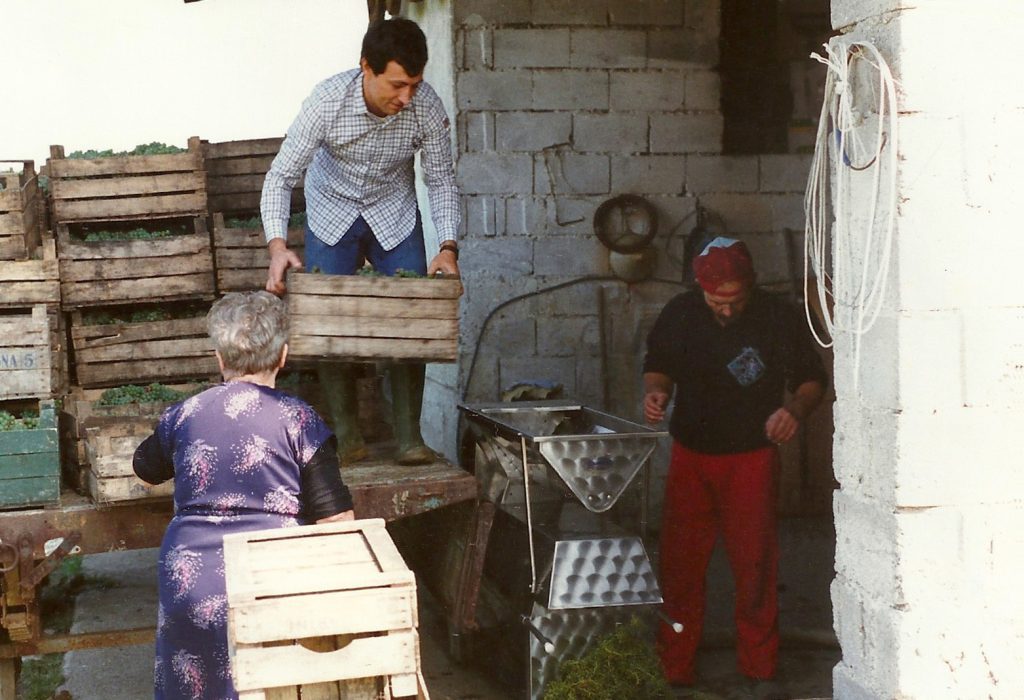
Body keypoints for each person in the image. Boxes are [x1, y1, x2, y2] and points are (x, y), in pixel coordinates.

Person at [133, 291, 355, 700]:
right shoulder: (300, 420)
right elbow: (336, 522)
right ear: (284, 356)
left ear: (220, 359)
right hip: (270, 581)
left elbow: (145, 469)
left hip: (191, 580)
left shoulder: (185, 414)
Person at [260, 17, 459, 466]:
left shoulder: (425, 106)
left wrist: (448, 246)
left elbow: (442, 181)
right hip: (332, 210)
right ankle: (348, 435)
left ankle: (410, 436)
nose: (406, 97)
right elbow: (280, 176)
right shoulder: (326, 101)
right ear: (366, 67)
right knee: (329, 318)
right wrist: (276, 246)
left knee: (410, 316)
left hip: (394, 212)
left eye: (415, 84)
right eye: (397, 84)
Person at [643, 237, 827, 700]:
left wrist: (794, 412)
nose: (725, 311)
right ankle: (675, 666)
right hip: (691, 455)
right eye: (715, 302)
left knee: (755, 566)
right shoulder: (680, 313)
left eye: (735, 301)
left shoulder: (778, 317)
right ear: (700, 289)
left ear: (751, 286)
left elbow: (811, 379)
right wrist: (657, 392)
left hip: (751, 458)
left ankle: (760, 668)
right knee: (680, 564)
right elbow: (658, 365)